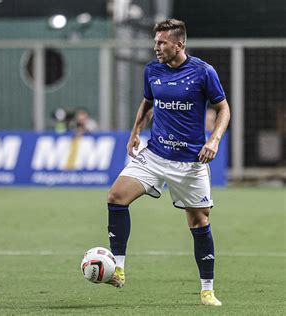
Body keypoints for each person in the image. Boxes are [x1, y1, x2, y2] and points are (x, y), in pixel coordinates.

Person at [105, 19, 230, 307]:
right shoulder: (152, 70)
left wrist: (214, 140)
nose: (156, 47)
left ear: (179, 44)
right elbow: (148, 102)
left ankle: (207, 290)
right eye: (155, 41)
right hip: (155, 154)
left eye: (162, 42)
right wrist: (135, 133)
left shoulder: (202, 72)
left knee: (199, 221)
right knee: (116, 197)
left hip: (190, 162)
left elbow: (222, 108)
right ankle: (119, 268)